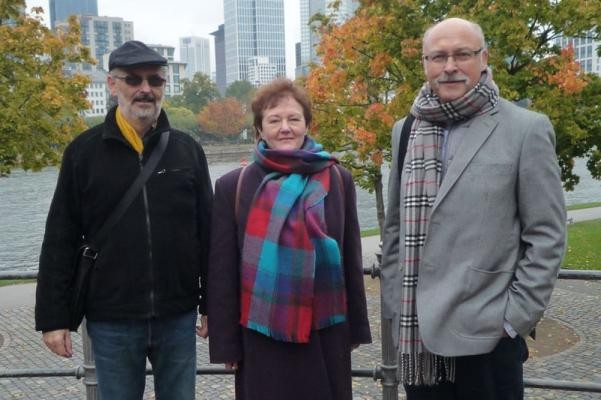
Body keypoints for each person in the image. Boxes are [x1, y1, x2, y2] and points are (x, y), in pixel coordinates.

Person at [380, 18, 566, 400]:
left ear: (484, 58)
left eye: (462, 54)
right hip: (419, 339)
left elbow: (546, 234)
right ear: (425, 64)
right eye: (439, 56)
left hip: (488, 337)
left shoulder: (525, 128)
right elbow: (396, 228)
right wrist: (396, 302)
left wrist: (514, 319)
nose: (450, 65)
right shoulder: (405, 129)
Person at [35, 40, 213, 400]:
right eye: (133, 79)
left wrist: (211, 304)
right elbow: (60, 236)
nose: (145, 89)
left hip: (177, 314)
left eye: (155, 80)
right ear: (112, 85)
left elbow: (208, 234)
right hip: (111, 317)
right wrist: (53, 318)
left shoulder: (187, 149)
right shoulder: (83, 153)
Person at [207, 78, 372, 400]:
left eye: (294, 119)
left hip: (326, 330)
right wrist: (227, 342)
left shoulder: (338, 179)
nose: (285, 127)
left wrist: (357, 328)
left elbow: (351, 257)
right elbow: (222, 271)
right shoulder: (234, 186)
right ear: (259, 129)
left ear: (307, 124)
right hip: (261, 335)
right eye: (274, 120)